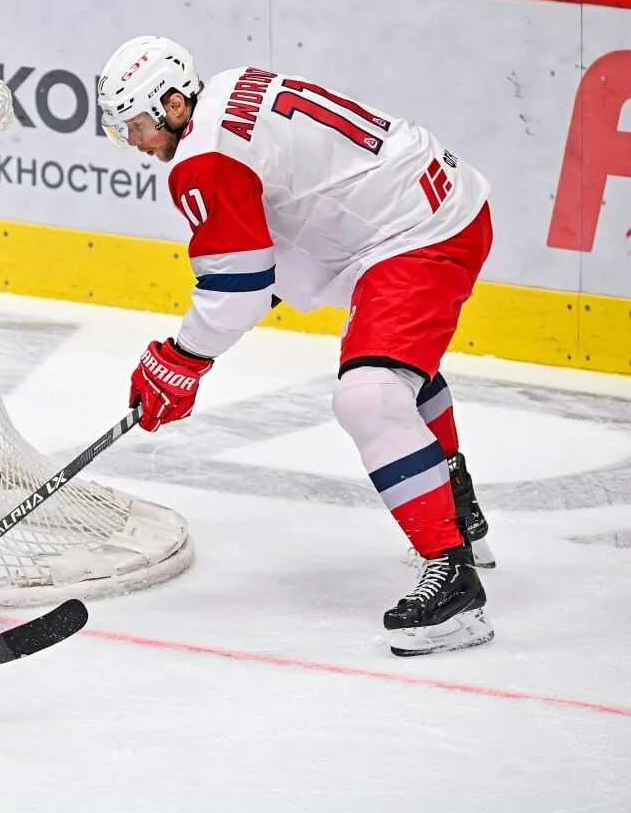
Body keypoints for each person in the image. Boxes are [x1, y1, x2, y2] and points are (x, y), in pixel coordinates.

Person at [97, 36, 496, 656]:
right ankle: (457, 509)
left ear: (175, 104)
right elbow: (275, 241)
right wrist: (200, 345)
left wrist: (180, 360)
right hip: (416, 205)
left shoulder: (201, 160)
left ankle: (454, 584)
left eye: (141, 126)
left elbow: (239, 291)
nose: (140, 145)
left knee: (370, 395)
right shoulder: (229, 87)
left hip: (419, 233)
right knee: (394, 372)